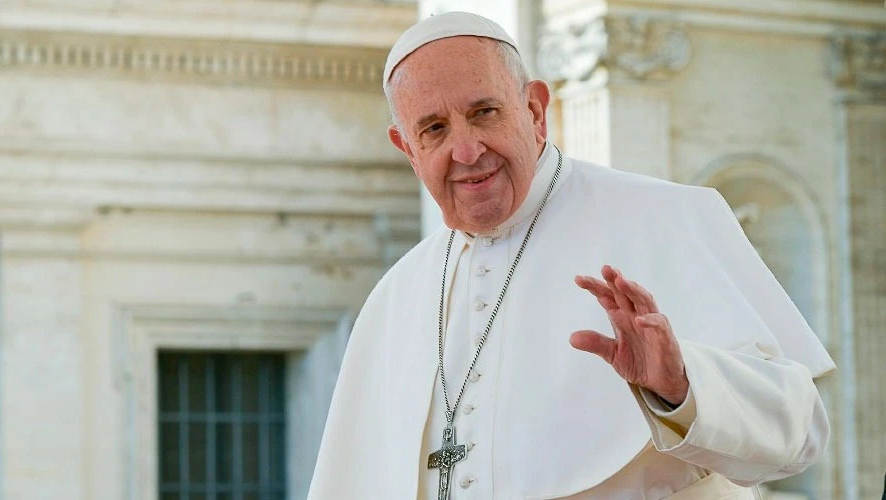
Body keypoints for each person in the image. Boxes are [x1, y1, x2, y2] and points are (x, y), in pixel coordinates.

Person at [308, 11, 835, 500]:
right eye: (435, 129)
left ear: (535, 111)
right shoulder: (394, 298)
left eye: (484, 112)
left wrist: (682, 385)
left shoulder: (666, 216)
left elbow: (802, 433)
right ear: (407, 148)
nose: (466, 151)